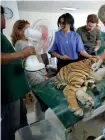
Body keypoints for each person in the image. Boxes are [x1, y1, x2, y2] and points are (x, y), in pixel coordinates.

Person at [1, 6, 36, 140]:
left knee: (22, 117)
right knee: (11, 124)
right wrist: (22, 54)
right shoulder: (20, 43)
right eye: (3, 16)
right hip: (9, 88)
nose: (4, 19)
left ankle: (28, 137)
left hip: (16, 86)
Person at [11, 19, 46, 121]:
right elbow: (33, 51)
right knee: (40, 98)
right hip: (31, 73)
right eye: (28, 29)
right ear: (18, 30)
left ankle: (41, 120)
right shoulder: (19, 43)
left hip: (38, 70)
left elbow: (37, 55)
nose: (31, 32)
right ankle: (41, 122)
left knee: (41, 98)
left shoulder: (29, 42)